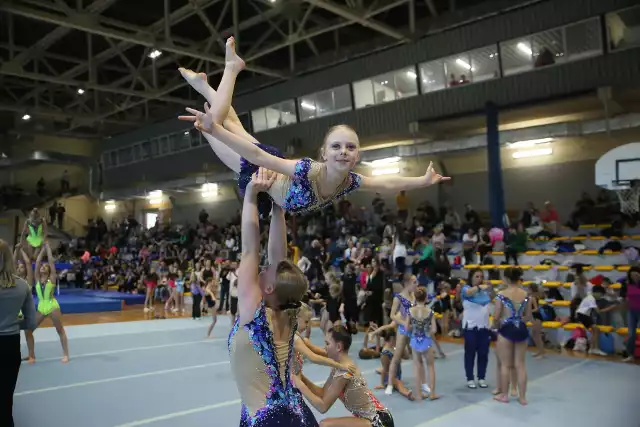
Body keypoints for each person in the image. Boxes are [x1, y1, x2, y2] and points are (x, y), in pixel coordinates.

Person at [178, 38, 449, 216]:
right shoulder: (308, 169)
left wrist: (422, 181)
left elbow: (388, 182)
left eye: (350, 147)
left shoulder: (349, 182)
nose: (343, 151)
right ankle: (229, 70)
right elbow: (259, 157)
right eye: (337, 146)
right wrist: (215, 131)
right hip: (261, 169)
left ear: (358, 156)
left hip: (270, 172)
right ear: (324, 153)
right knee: (215, 126)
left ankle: (212, 83)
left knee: (226, 122)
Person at [229, 167, 317, 427]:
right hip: (294, 411)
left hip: (270, 420)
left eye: (266, 270)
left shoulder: (253, 312)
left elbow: (249, 250)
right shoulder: (288, 311)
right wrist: (279, 203)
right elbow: (279, 256)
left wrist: (251, 196)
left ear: (268, 289)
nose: (263, 266)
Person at [294, 325, 394, 427]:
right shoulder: (339, 366)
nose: (325, 347)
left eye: (327, 343)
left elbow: (323, 407)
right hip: (373, 417)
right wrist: (301, 377)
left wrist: (298, 383)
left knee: (325, 425)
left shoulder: (344, 373)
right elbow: (322, 393)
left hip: (379, 421)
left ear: (338, 347)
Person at [0, 239, 37, 427]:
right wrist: (12, 324)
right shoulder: (22, 286)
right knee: (6, 398)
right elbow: (31, 322)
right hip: (10, 345)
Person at [492, 267, 532, 405]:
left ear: (507, 279)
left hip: (506, 329)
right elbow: (528, 316)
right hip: (521, 328)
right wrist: (518, 321)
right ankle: (522, 397)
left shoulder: (501, 295)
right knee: (520, 364)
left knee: (505, 364)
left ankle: (504, 395)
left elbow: (497, 315)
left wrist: (495, 325)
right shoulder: (526, 295)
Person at [34, 241, 69, 363]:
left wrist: (48, 247)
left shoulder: (52, 279)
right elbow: (37, 262)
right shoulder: (37, 279)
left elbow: (51, 262)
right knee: (29, 329)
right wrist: (42, 249)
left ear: (49, 271)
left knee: (59, 330)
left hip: (52, 305)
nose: (42, 267)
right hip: (41, 306)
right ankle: (31, 354)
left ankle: (65, 354)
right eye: (42, 267)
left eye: (45, 267)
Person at [385, 273, 417, 396]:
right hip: (403, 330)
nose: (416, 285)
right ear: (407, 283)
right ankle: (389, 384)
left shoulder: (414, 296)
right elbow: (392, 315)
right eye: (414, 282)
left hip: (413, 329)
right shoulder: (398, 298)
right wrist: (403, 323)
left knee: (416, 357)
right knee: (397, 357)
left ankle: (421, 383)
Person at [406, 287, 440, 401]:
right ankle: (432, 393)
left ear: (415, 297)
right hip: (426, 340)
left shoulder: (410, 311)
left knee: (417, 366)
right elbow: (434, 329)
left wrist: (415, 331)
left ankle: (419, 394)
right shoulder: (430, 312)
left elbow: (407, 327)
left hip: (415, 339)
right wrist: (427, 334)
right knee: (430, 366)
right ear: (426, 298)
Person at [461, 268, 493, 389]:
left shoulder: (484, 292)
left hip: (484, 327)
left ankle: (481, 377)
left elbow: (493, 297)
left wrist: (491, 288)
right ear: (471, 278)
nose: (480, 279)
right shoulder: (466, 289)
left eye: (481, 277)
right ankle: (470, 377)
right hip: (470, 327)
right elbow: (469, 293)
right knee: (470, 353)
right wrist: (480, 287)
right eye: (477, 277)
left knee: (483, 353)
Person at [13, 243, 36, 363]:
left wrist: (21, 250)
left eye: (21, 267)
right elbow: (12, 263)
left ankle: (32, 355)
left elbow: (28, 263)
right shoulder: (14, 279)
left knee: (28, 333)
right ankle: (15, 354)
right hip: (16, 309)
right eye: (18, 267)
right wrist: (16, 250)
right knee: (15, 333)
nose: (19, 269)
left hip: (26, 309)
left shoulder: (28, 281)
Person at [622, 266, 640, 362]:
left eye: (636, 274)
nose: (634, 277)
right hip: (631, 311)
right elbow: (623, 296)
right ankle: (630, 354)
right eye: (632, 275)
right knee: (631, 334)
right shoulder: (627, 284)